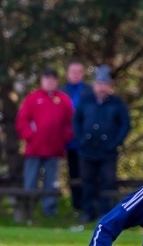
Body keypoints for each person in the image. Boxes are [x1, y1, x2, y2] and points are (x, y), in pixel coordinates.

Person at [73, 65, 131, 222]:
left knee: (108, 182)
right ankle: (88, 212)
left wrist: (115, 143)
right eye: (99, 83)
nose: (101, 87)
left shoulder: (117, 103)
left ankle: (106, 212)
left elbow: (125, 125)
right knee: (87, 182)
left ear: (110, 86)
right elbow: (76, 122)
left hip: (108, 152)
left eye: (105, 84)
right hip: (87, 151)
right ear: (94, 85)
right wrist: (81, 140)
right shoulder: (85, 101)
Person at [16, 67, 74, 217]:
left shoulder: (63, 100)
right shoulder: (33, 98)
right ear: (42, 80)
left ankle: (49, 212)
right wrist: (30, 136)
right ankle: (28, 212)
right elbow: (22, 121)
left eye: (53, 79)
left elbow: (70, 123)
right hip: (34, 149)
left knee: (52, 183)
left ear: (57, 81)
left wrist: (63, 138)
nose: (50, 82)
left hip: (54, 150)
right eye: (47, 79)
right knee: (31, 181)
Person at [62, 61, 92, 214]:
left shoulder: (89, 92)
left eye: (78, 72)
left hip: (87, 142)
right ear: (67, 74)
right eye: (72, 72)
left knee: (88, 175)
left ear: (83, 74)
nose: (75, 75)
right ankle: (76, 206)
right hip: (70, 142)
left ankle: (89, 206)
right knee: (74, 174)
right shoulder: (61, 92)